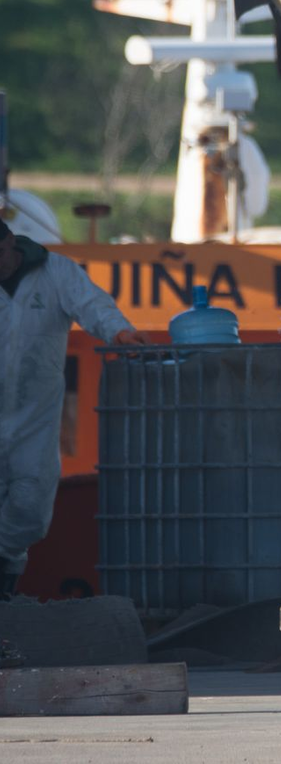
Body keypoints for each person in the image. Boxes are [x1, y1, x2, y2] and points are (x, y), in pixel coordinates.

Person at [0, 218, 150, 597]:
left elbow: (91, 303)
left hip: (35, 420)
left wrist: (118, 332)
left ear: (11, 244)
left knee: (31, 513)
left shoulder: (55, 272)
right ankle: (5, 590)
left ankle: (5, 568)